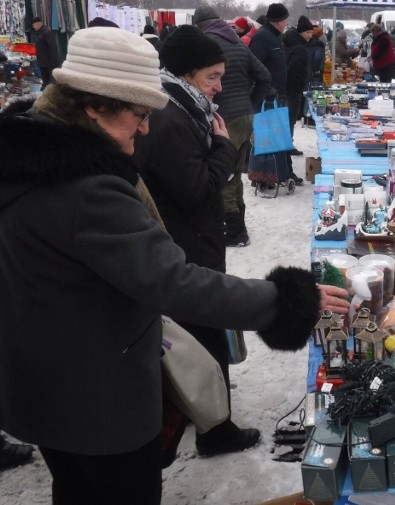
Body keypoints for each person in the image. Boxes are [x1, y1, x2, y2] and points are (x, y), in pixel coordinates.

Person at [0, 26, 348, 504]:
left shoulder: (26, 160)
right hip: (98, 401)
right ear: (92, 108)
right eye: (138, 115)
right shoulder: (88, 189)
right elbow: (175, 282)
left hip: (44, 389)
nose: (145, 129)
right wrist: (284, 298)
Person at [135, 24, 263, 455]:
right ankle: (216, 429)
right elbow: (197, 189)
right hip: (187, 244)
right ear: (187, 74)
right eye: (213, 76)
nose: (219, 87)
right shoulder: (172, 118)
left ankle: (202, 413)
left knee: (199, 333)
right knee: (202, 335)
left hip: (191, 240)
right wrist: (224, 147)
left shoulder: (183, 106)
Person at [192, 5, 271, 247]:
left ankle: (235, 231)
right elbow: (265, 77)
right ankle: (239, 226)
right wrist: (251, 104)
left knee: (224, 175)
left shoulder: (205, 45)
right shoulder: (237, 42)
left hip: (223, 118)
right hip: (245, 117)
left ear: (201, 25)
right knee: (234, 172)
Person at [250, 3, 304, 181]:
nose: (287, 22)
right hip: (268, 98)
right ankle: (266, 175)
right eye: (286, 18)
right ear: (279, 21)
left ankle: (282, 172)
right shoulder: (262, 37)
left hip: (278, 94)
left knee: (280, 136)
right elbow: (254, 67)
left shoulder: (275, 37)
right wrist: (266, 89)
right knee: (269, 138)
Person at [282, 15, 314, 157]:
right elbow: (292, 70)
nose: (310, 36)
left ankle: (286, 144)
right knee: (290, 118)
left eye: (311, 33)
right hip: (293, 90)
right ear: (301, 32)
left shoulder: (289, 42)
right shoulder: (299, 48)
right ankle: (287, 145)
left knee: (287, 118)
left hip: (287, 89)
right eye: (308, 32)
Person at [30, 17, 60, 89]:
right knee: (46, 81)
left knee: (52, 82)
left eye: (33, 25)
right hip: (43, 62)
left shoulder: (47, 32)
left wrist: (53, 63)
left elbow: (52, 47)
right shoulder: (39, 33)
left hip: (49, 63)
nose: (33, 27)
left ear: (38, 24)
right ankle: (46, 91)